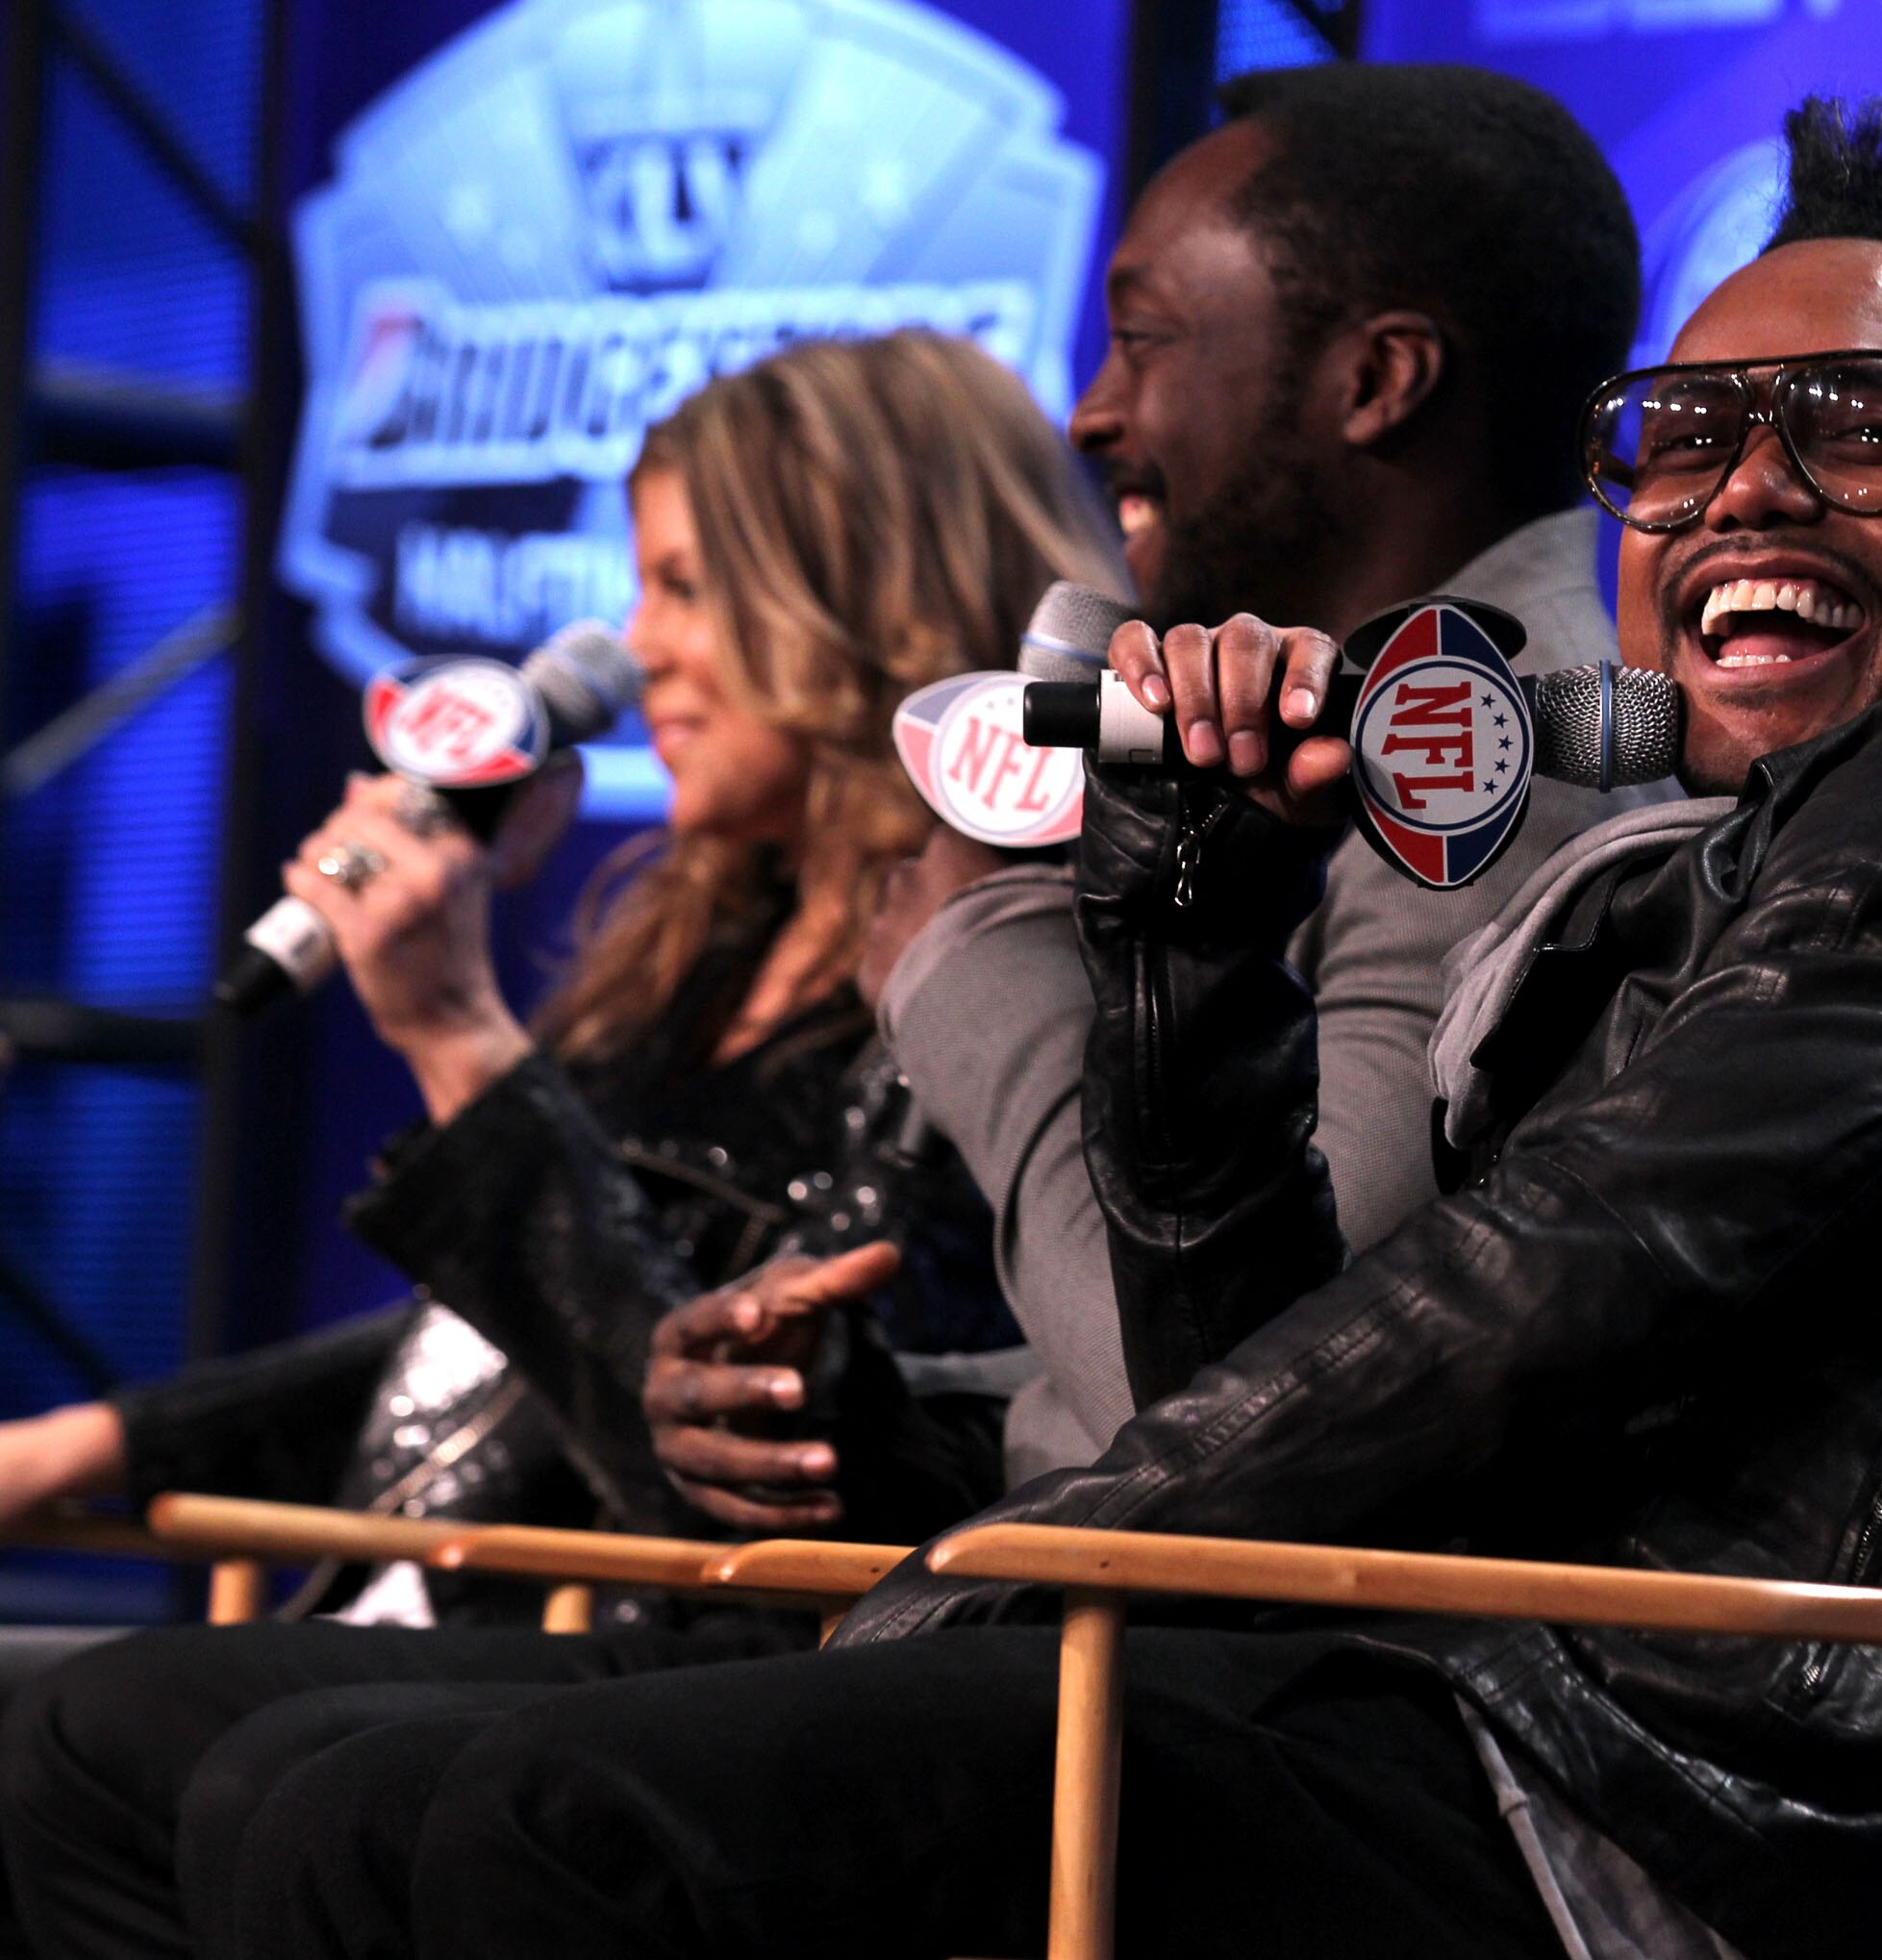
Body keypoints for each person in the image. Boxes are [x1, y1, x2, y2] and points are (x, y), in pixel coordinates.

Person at [146, 94, 1882, 1960]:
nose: (1745, 488)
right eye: (1688, 434)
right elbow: (1253, 1353)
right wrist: (1195, 929)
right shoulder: (1694, 865)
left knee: (481, 1818)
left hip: (1640, 1819)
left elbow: (1519, 1301)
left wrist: (952, 1587)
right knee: (292, 1790)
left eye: (1863, 429)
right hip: (1444, 1691)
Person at [0, 330, 1125, 1957]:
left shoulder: (990, 957)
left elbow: (750, 1450)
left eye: (684, 584)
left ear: (861, 590)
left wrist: (457, 1033)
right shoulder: (701, 939)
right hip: (448, 1601)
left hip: (692, 1665)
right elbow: (470, 1354)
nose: (632, 645)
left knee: (94, 1736)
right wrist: (90, 1443)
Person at [645, 59, 1658, 1519]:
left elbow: (1236, 1402)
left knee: (351, 1755)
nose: (1091, 409)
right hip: (1113, 1643)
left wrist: (976, 955)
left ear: (1378, 381)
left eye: (1142, 342)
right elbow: (1246, 1346)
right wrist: (871, 1412)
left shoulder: (1481, 752)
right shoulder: (1402, 703)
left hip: (1244, 1698)